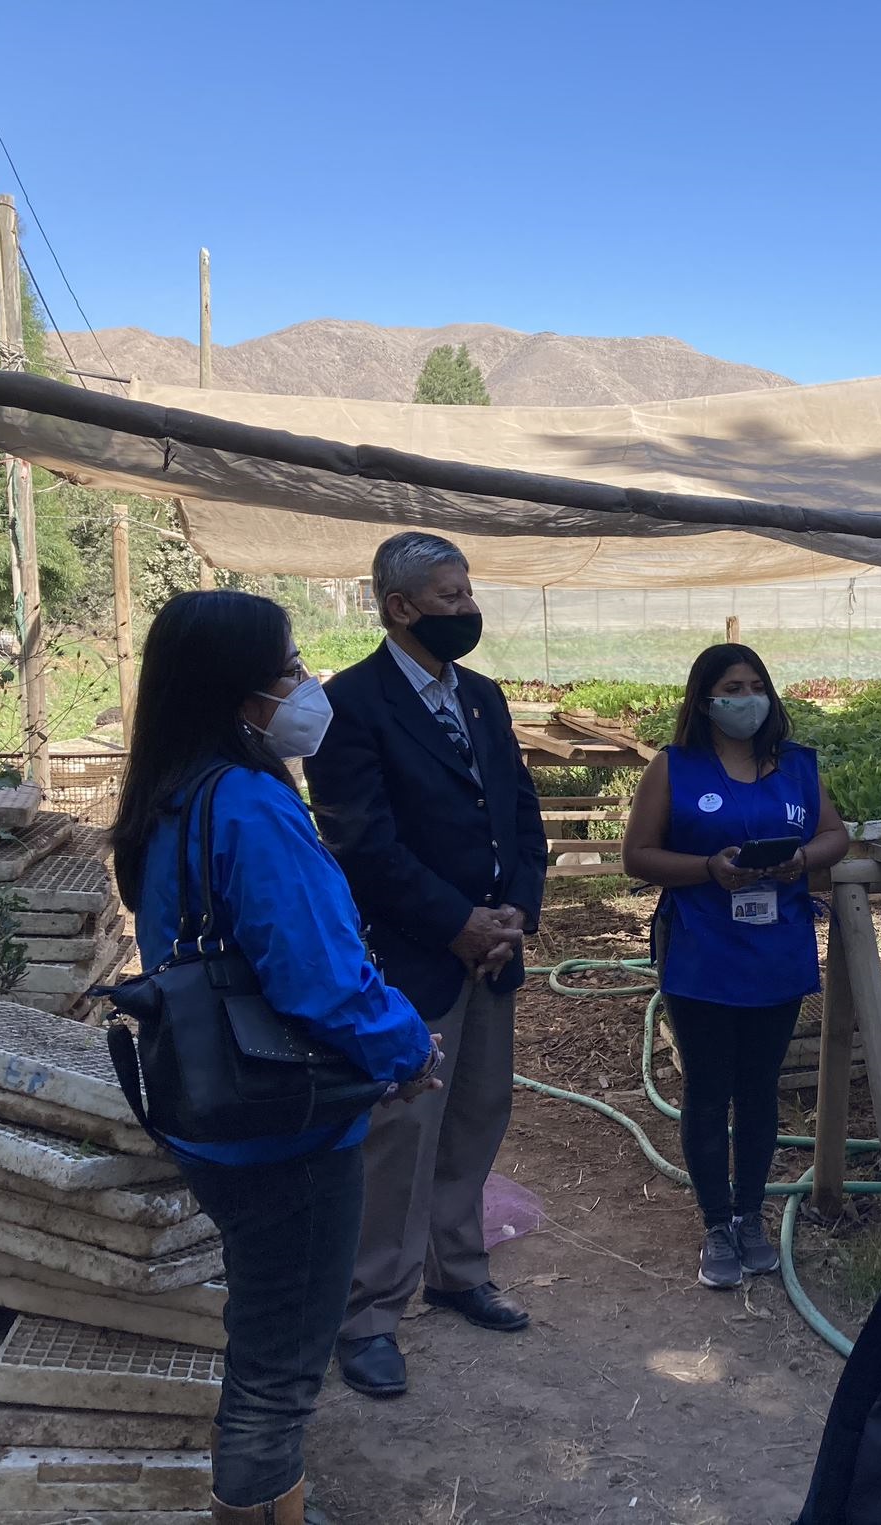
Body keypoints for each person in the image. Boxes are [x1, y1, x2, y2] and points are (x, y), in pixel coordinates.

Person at [110, 590, 441, 1525]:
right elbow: (320, 981)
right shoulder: (252, 804)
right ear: (239, 693)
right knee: (278, 1365)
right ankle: (258, 1504)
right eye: (289, 668)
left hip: (209, 1107)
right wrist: (409, 1044)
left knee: (265, 1330)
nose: (305, 685)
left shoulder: (173, 794)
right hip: (282, 1134)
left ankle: (268, 1496)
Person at [302, 532, 548, 1399]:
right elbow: (363, 842)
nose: (468, 607)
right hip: (413, 955)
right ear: (398, 607)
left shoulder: (479, 697)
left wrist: (517, 908)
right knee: (401, 1135)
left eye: (468, 590)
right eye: (450, 596)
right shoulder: (351, 706)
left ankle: (457, 1267)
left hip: (493, 951)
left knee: (480, 1108)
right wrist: (458, 925)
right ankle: (369, 1314)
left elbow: (518, 809)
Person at [621, 643, 850, 1288]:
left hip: (775, 950)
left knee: (759, 1088)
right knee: (707, 1086)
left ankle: (750, 1213)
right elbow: (638, 855)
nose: (744, 698)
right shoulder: (674, 768)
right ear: (703, 698)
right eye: (730, 687)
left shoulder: (796, 767)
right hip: (702, 950)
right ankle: (715, 1222)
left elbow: (836, 835)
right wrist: (707, 870)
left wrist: (803, 860)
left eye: (755, 686)